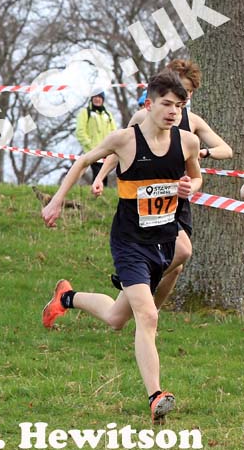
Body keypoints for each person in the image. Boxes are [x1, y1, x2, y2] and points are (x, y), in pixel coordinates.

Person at [42, 70, 202, 424]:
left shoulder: (187, 142)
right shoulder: (125, 140)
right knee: (147, 316)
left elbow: (196, 174)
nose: (173, 111)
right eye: (166, 104)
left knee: (116, 318)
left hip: (164, 239)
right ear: (149, 104)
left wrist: (190, 185)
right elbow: (83, 161)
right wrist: (55, 202)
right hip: (130, 243)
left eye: (179, 106)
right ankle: (156, 396)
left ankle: (66, 297)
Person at [92, 59, 232, 309]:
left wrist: (203, 153)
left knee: (177, 267)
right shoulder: (142, 116)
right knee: (183, 251)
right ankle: (138, 290)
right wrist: (101, 176)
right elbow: (119, 148)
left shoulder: (193, 123)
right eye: (179, 89)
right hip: (146, 203)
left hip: (177, 202)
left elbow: (226, 149)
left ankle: (147, 308)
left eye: (187, 93)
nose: (181, 99)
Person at [75, 92, 116, 184]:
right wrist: (90, 145)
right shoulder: (85, 112)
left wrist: (113, 146)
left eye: (100, 97)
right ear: (91, 98)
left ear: (103, 99)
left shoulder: (108, 114)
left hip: (107, 150)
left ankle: (100, 194)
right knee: (97, 173)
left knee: (104, 175)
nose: (97, 99)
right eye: (95, 97)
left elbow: (114, 131)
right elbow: (80, 131)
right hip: (92, 150)